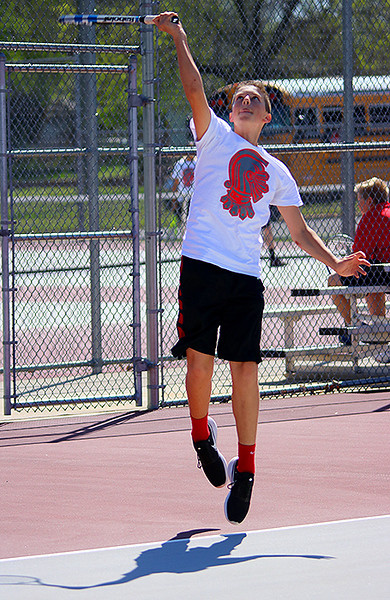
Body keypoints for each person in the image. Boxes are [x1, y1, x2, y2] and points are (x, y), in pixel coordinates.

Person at [153, 12, 369, 525]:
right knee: (200, 362)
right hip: (202, 266)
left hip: (246, 277)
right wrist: (181, 38)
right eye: (240, 97)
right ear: (230, 109)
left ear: (267, 117)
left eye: (257, 99)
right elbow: (192, 87)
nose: (246, 102)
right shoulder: (213, 136)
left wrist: (335, 261)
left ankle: (246, 470)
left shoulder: (277, 171)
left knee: (246, 368)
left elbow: (298, 231)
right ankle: (201, 435)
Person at [328, 177, 390, 345]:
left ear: (369, 200)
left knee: (333, 281)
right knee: (373, 282)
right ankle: (380, 338)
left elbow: (359, 257)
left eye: (360, 200)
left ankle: (355, 327)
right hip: (383, 271)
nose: (358, 204)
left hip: (383, 273)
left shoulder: (370, 217)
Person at [171, 152, 196, 229]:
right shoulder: (180, 163)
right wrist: (174, 197)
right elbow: (176, 181)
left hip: (193, 195)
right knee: (181, 215)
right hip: (181, 195)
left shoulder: (197, 162)